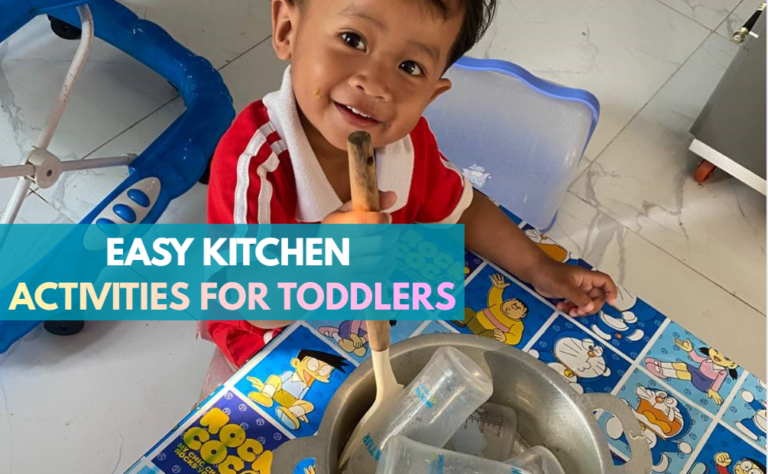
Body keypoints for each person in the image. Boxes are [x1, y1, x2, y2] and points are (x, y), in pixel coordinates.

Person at [206, 0, 618, 368]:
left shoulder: (408, 145)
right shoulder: (255, 163)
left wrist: (539, 267)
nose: (375, 83)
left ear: (432, 95)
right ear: (287, 31)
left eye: (409, 67)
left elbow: (463, 209)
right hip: (272, 337)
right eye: (353, 39)